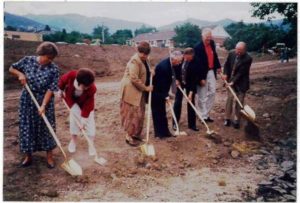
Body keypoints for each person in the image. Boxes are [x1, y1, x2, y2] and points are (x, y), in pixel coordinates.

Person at [9, 42, 59, 169]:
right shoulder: (27, 61)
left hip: (45, 101)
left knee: (47, 127)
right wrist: (20, 74)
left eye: (52, 58)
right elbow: (11, 68)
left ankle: (49, 156)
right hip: (28, 100)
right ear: (41, 54)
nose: (49, 60)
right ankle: (28, 156)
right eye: (48, 57)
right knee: (27, 126)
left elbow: (51, 89)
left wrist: (43, 105)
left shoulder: (54, 69)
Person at [120, 41, 153, 146]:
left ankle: (136, 134)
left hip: (139, 91)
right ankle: (129, 137)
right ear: (138, 51)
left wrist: (151, 71)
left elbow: (146, 70)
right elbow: (134, 78)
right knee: (132, 114)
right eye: (142, 53)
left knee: (140, 113)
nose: (143, 55)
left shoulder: (146, 60)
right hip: (131, 90)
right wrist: (146, 88)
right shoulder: (134, 61)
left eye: (146, 53)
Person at [58, 68, 97, 155]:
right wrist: (60, 90)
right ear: (79, 82)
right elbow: (62, 80)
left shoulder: (92, 88)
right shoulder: (71, 75)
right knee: (74, 120)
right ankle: (73, 141)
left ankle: (91, 144)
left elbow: (88, 105)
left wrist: (84, 119)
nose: (87, 88)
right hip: (72, 101)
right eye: (85, 86)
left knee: (89, 124)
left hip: (86, 105)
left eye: (88, 86)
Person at [152, 51, 183, 139]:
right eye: (179, 61)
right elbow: (161, 84)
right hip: (156, 92)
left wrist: (177, 79)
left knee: (163, 112)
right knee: (157, 113)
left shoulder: (172, 64)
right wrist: (166, 96)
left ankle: (165, 132)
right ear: (173, 59)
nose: (180, 63)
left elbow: (175, 74)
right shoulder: (164, 67)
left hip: (162, 90)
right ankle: (159, 134)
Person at [223, 42, 253, 129]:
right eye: (237, 49)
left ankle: (237, 119)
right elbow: (227, 65)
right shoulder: (231, 53)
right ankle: (227, 118)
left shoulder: (248, 58)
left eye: (240, 50)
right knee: (230, 98)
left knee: (239, 101)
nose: (237, 52)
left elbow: (241, 73)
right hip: (230, 80)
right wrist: (225, 74)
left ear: (244, 50)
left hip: (242, 82)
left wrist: (233, 82)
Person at [194, 28, 221, 122]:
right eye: (207, 38)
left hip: (211, 71)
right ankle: (203, 116)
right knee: (202, 95)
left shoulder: (212, 44)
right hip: (202, 73)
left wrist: (218, 66)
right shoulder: (197, 48)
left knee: (212, 92)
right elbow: (196, 65)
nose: (208, 40)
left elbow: (215, 56)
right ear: (202, 36)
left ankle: (205, 113)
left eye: (210, 37)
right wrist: (201, 78)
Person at [173, 48, 200, 131]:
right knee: (177, 102)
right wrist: (176, 79)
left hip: (190, 83)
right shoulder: (180, 59)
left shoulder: (195, 63)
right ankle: (175, 123)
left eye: (191, 57)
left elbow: (194, 79)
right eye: (188, 57)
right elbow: (175, 70)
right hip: (180, 83)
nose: (189, 59)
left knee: (191, 102)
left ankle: (192, 125)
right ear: (185, 55)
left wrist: (191, 94)